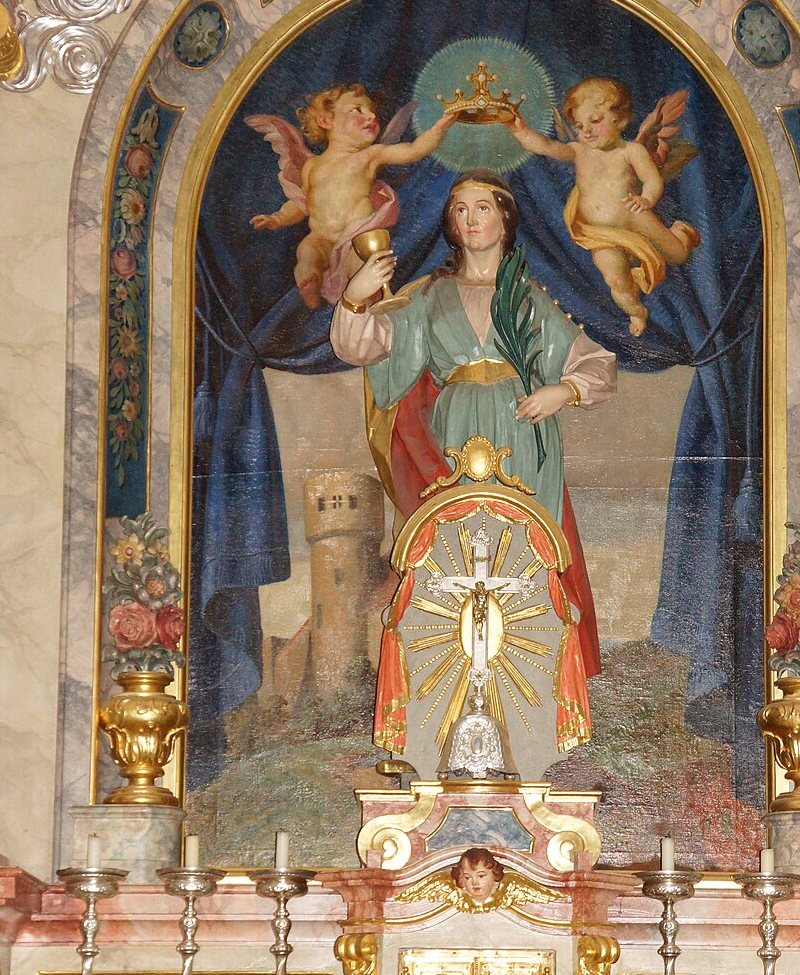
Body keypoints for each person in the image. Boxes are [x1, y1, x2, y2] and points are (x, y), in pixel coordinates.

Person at [329, 168, 616, 675]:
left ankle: (531, 672)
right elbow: (364, 346)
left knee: (524, 555)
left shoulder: (527, 296)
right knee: (457, 554)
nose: (471, 219)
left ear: (504, 219)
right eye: (460, 210)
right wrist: (357, 297)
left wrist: (563, 390)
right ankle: (454, 670)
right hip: (454, 431)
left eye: (483, 208)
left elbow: (598, 363)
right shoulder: (429, 296)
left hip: (523, 431)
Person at [509, 76, 700, 336]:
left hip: (634, 218)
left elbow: (652, 180)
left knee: (678, 254)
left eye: (595, 121)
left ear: (619, 119)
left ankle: (681, 232)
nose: (586, 131)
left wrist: (646, 199)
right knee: (615, 279)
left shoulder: (631, 151)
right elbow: (547, 147)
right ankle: (636, 311)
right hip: (599, 235)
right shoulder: (579, 151)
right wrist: (520, 131)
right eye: (579, 125)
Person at [246, 84, 454, 309]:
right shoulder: (311, 167)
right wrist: (278, 218)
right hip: (321, 238)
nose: (371, 116)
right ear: (326, 120)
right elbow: (302, 203)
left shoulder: (370, 155)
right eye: (358, 110)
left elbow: (413, 150)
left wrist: (439, 128)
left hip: (358, 238)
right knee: (306, 252)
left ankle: (374, 307)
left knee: (364, 270)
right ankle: (310, 296)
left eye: (373, 113)